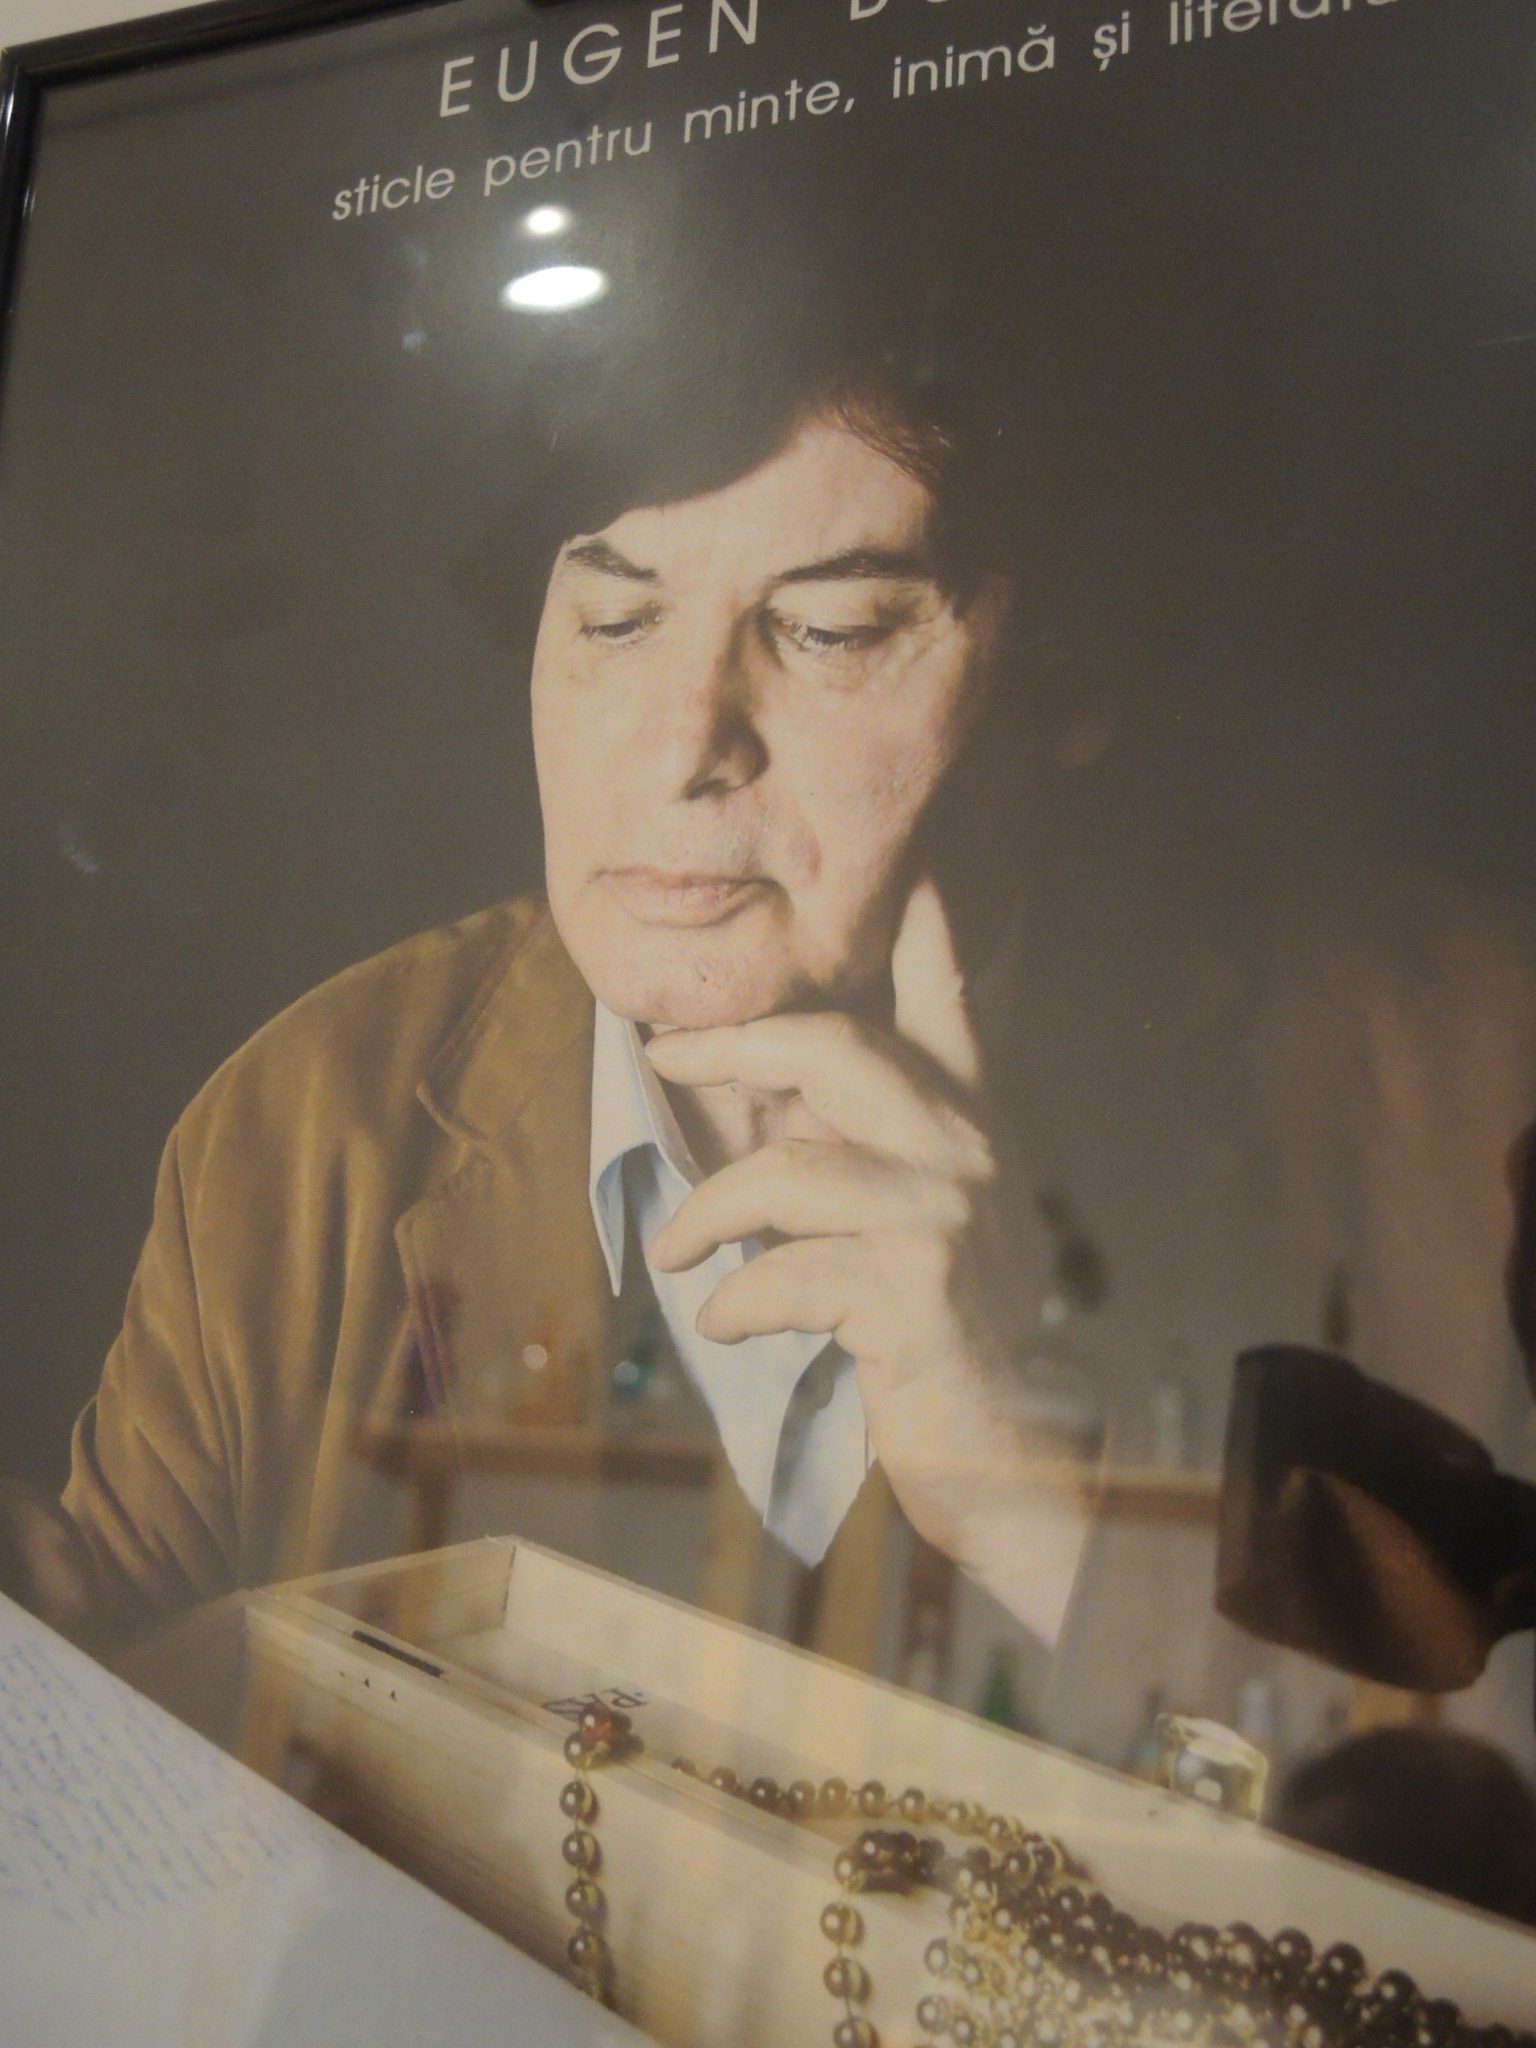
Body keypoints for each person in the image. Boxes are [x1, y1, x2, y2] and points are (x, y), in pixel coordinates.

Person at [7, 337, 1093, 1663]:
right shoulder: (303, 1121)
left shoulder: (1314, 1099)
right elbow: (113, 1681)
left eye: (830, 630)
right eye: (617, 619)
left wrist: (1036, 1514)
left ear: (1059, 686)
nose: (682, 744)